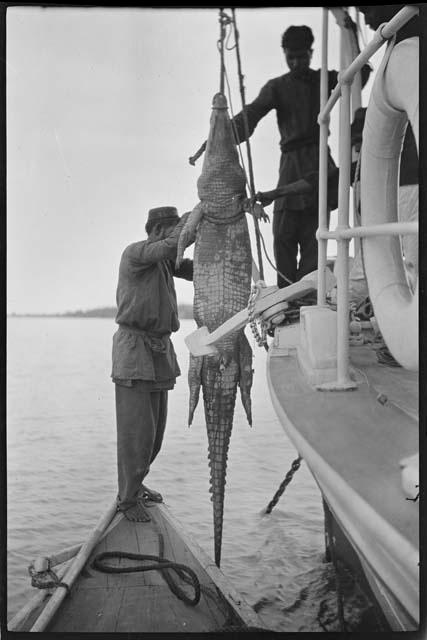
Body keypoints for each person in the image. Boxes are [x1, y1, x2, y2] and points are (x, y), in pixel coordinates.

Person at [228, 23, 371, 288]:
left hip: (319, 162)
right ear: (284, 54)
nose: (296, 63)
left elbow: (361, 73)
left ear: (311, 53)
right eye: (290, 57)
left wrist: (350, 32)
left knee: (314, 235)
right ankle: (286, 293)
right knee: (283, 232)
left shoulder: (323, 79)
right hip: (291, 165)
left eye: (301, 56)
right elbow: (253, 113)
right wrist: (226, 135)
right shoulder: (277, 87)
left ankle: (306, 295)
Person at [111, 206, 193, 522]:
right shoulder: (137, 254)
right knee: (137, 433)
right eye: (173, 231)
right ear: (158, 231)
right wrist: (195, 217)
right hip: (134, 350)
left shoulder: (163, 262)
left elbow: (192, 266)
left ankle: (137, 483)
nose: (178, 240)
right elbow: (172, 246)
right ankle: (128, 499)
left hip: (159, 352)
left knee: (154, 434)